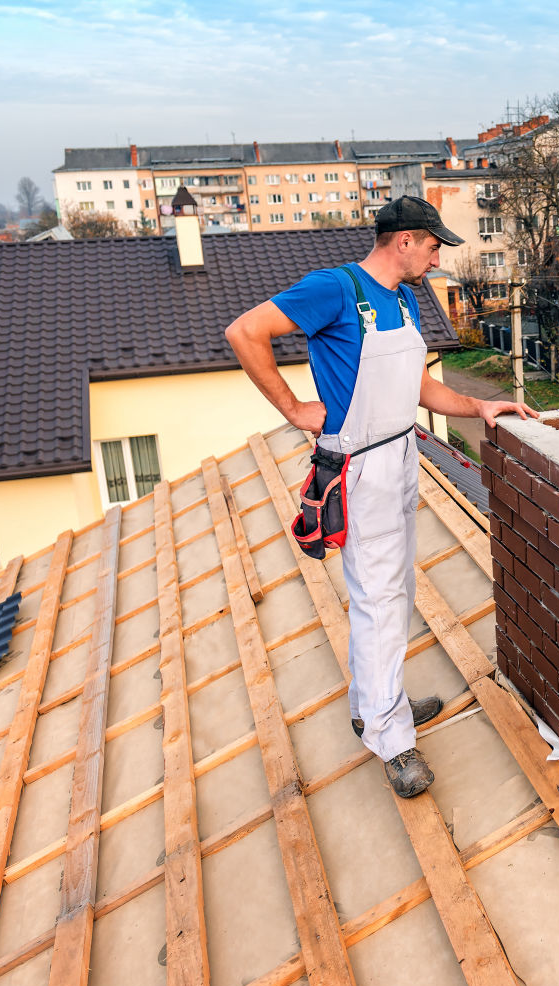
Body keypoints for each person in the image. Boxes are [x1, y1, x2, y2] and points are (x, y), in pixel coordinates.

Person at [225, 196, 537, 797]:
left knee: (393, 595)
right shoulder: (335, 289)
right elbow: (246, 331)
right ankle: (392, 742)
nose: (437, 254)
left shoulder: (400, 298)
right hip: (360, 471)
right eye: (433, 244)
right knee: (378, 602)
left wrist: (477, 406)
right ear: (404, 241)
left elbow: (415, 384)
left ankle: (376, 705)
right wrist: (293, 409)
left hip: (398, 457)